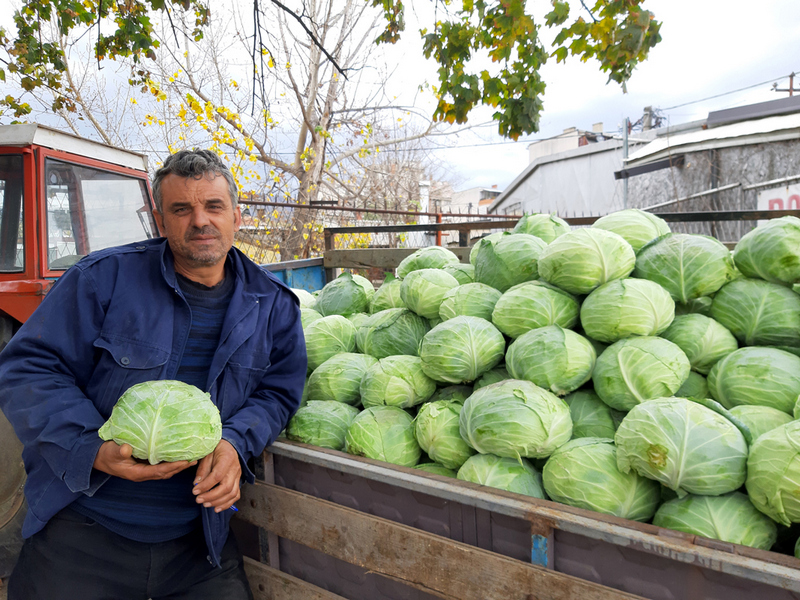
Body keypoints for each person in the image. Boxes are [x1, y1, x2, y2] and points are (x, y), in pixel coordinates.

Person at [0, 149, 307, 599]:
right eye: (181, 209)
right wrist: (90, 447)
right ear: (160, 221)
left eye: (213, 207)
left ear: (237, 218)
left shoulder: (274, 305)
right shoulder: (101, 280)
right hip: (85, 525)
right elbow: (28, 367)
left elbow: (277, 392)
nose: (199, 221)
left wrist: (235, 441)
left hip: (198, 539)